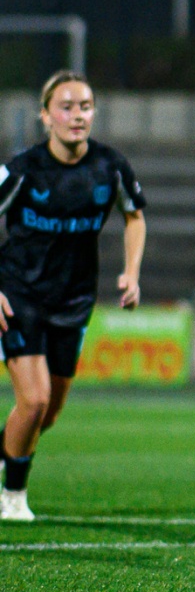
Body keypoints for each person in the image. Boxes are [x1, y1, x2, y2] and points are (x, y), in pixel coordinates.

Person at [0, 72, 147, 523]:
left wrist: (132, 273)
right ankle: (12, 496)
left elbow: (135, 217)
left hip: (74, 301)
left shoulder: (110, 166)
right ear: (45, 116)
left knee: (49, 414)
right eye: (65, 106)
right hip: (20, 296)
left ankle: (5, 453)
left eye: (84, 106)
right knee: (35, 400)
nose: (76, 115)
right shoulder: (23, 169)